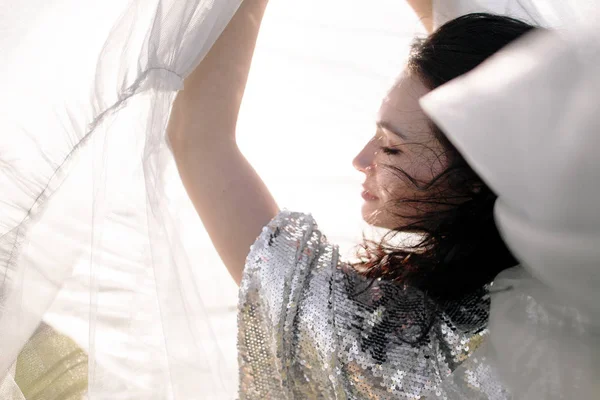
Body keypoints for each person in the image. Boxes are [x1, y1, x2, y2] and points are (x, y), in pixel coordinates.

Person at [167, 1, 539, 398]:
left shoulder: (390, 351)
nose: (361, 160)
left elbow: (198, 136)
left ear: (476, 177)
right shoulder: (552, 292)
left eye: (391, 148)